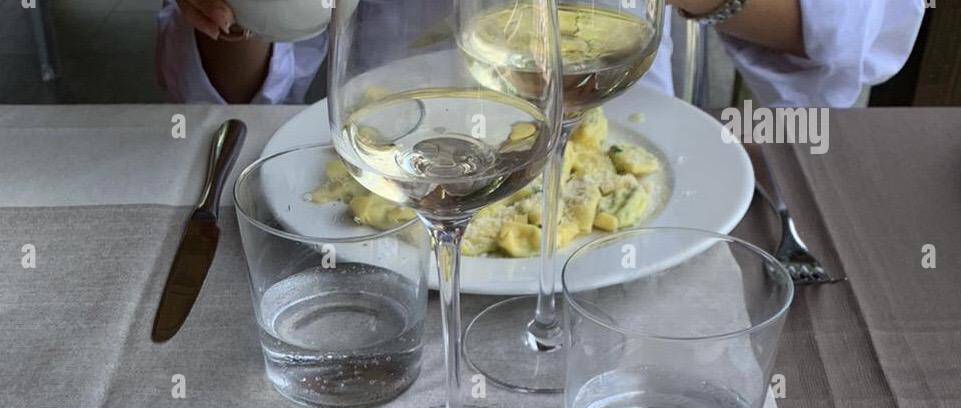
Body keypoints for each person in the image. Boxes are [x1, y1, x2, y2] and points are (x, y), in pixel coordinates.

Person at [157, 0, 925, 110]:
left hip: (619, 168)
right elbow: (228, 99)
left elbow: (863, 35)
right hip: (392, 174)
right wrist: (236, 17)